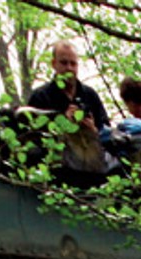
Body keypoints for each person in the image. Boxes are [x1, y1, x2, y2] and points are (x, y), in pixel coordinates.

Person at [26, 41, 111, 175]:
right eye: (64, 63)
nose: (69, 68)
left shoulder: (90, 95)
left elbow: (106, 132)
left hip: (90, 168)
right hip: (57, 170)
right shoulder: (41, 96)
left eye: (73, 64)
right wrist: (63, 125)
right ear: (54, 64)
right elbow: (32, 139)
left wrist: (92, 129)